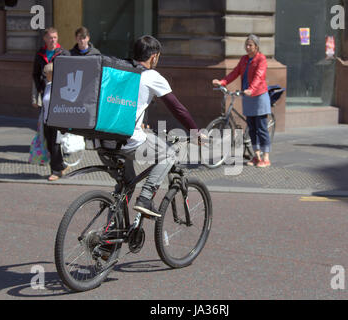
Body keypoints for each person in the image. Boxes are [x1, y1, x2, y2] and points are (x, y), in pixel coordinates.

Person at [101, 35, 200, 218]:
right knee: (169, 153)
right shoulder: (152, 76)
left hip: (102, 141)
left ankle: (109, 237)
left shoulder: (119, 70)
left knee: (126, 185)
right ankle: (146, 198)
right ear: (154, 57)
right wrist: (196, 132)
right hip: (128, 142)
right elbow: (177, 109)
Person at [212, 34, 272, 168]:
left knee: (261, 128)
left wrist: (251, 89)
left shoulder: (261, 59)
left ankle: (266, 157)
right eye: (246, 44)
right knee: (252, 128)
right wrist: (222, 82)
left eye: (250, 45)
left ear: (256, 47)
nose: (248, 47)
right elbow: (235, 73)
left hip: (259, 96)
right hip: (247, 96)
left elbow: (259, 76)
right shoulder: (244, 59)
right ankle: (256, 156)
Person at [42, 63, 69, 181]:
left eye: (46, 73)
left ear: (51, 74)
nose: (45, 75)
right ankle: (62, 166)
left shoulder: (59, 87)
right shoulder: (48, 86)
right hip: (46, 120)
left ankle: (56, 171)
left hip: (55, 121)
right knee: (49, 146)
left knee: (55, 146)